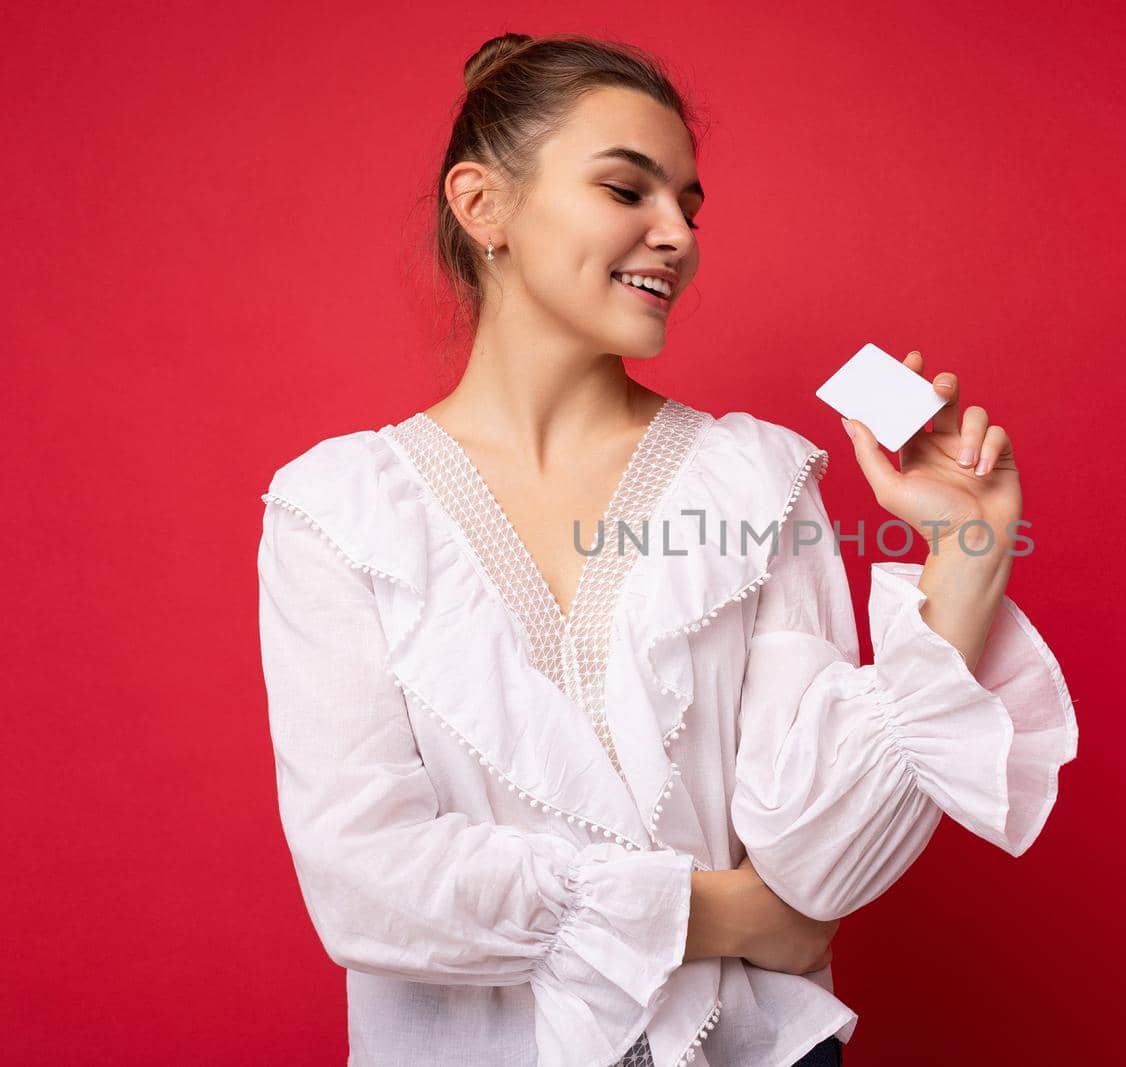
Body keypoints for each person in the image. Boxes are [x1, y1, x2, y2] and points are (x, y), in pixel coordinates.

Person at [256, 32, 1079, 1067]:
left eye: (688, 205)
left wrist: (966, 553)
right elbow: (365, 883)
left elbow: (817, 869)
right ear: (482, 205)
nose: (676, 235)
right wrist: (718, 914)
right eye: (626, 189)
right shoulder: (335, 508)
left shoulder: (755, 480)